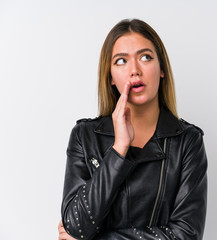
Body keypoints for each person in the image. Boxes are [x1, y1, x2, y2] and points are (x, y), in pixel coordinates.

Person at [58, 19, 207, 240]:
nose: (135, 70)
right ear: (109, 77)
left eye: (145, 57)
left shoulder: (188, 141)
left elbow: (186, 234)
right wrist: (119, 149)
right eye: (121, 61)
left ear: (162, 68)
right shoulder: (84, 137)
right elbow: (74, 226)